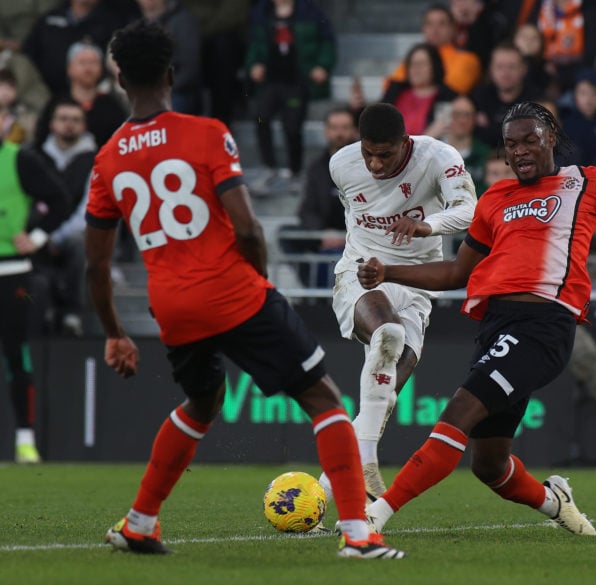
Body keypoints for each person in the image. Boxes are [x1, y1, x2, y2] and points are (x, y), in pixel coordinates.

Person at [85, 19, 404, 559]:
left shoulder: (108, 158)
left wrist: (115, 333)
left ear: (118, 79)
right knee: (323, 398)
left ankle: (140, 521)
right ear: (170, 72)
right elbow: (248, 227)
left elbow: (95, 266)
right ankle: (357, 533)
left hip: (172, 305)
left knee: (202, 402)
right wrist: (256, 286)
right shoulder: (206, 133)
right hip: (232, 293)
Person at [356, 101, 596, 536]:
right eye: (509, 145)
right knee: (489, 465)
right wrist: (388, 272)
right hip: (496, 327)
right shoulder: (495, 199)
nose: (518, 152)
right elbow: (455, 273)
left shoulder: (588, 182)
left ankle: (376, 513)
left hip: (543, 326)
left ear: (550, 139)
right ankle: (556, 503)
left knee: (459, 411)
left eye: (528, 141)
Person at [318, 103, 477, 502]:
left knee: (383, 397)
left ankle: (320, 494)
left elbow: (471, 210)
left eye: (384, 154)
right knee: (386, 334)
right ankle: (368, 463)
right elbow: (355, 217)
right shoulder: (342, 164)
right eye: (368, 152)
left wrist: (429, 225)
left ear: (405, 143)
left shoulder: (439, 157)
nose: (373, 164)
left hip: (416, 283)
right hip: (362, 272)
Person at [0, 104, 69, 463]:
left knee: (16, 354)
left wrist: (38, 238)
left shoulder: (21, 160)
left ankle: (25, 440)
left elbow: (60, 199)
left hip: (12, 271)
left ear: (8, 121)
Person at [244, 0, 336, 195]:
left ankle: (296, 171)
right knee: (261, 117)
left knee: (293, 126)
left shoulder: (310, 12)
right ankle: (268, 167)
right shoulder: (262, 13)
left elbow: (328, 41)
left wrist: (323, 65)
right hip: (269, 81)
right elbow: (253, 44)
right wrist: (254, 64)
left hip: (297, 81)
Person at [35, 98, 96, 336]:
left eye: (75, 120)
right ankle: (43, 309)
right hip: (38, 234)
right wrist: (42, 235)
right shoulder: (35, 156)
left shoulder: (95, 160)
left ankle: (72, 314)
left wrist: (56, 237)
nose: (69, 125)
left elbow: (87, 211)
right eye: (63, 119)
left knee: (80, 243)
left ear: (84, 126)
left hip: (73, 234)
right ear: (52, 124)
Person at [278, 107, 358, 288]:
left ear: (354, 131)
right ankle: (314, 291)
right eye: (334, 128)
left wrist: (346, 235)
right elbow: (307, 210)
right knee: (286, 234)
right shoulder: (316, 167)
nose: (339, 133)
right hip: (324, 234)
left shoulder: (369, 166)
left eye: (345, 128)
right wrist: (322, 234)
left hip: (358, 236)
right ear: (326, 132)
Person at [387, 4, 483, 96]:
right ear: (423, 29)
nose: (435, 29)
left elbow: (450, 91)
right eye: (429, 24)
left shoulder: (467, 60)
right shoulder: (415, 58)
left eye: (442, 24)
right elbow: (390, 86)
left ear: (453, 28)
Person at [381, 43, 457, 137]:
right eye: (412, 64)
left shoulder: (448, 96)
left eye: (421, 64)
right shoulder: (395, 90)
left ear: (435, 66)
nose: (415, 69)